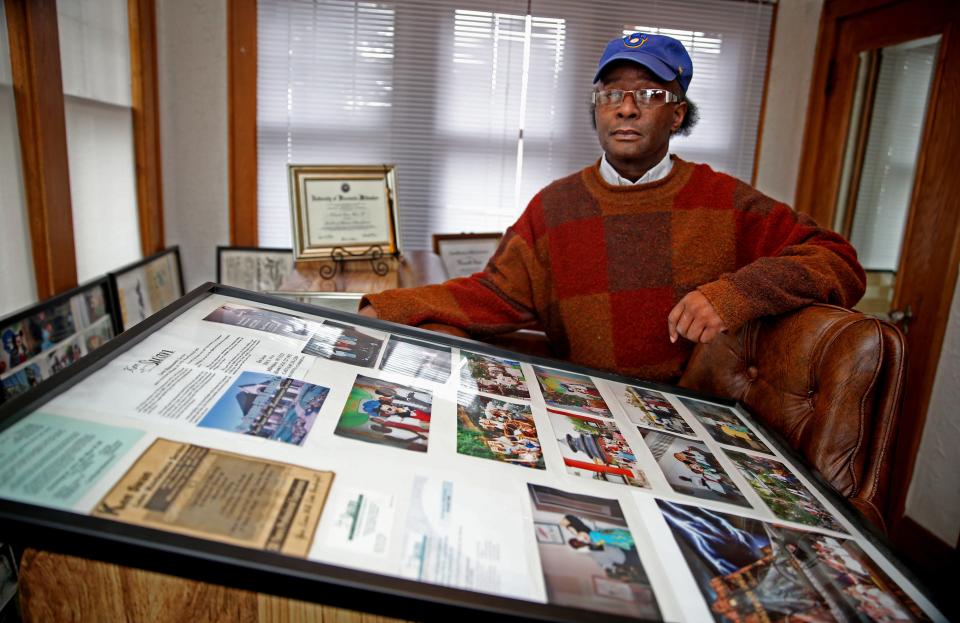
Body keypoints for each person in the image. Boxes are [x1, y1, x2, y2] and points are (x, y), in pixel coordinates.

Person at [361, 32, 865, 382]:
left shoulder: (726, 201)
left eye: (648, 93)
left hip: (685, 413)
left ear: (677, 113)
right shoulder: (555, 205)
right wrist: (383, 307)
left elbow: (837, 260)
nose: (626, 107)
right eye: (611, 94)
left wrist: (736, 293)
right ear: (597, 108)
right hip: (581, 402)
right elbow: (492, 295)